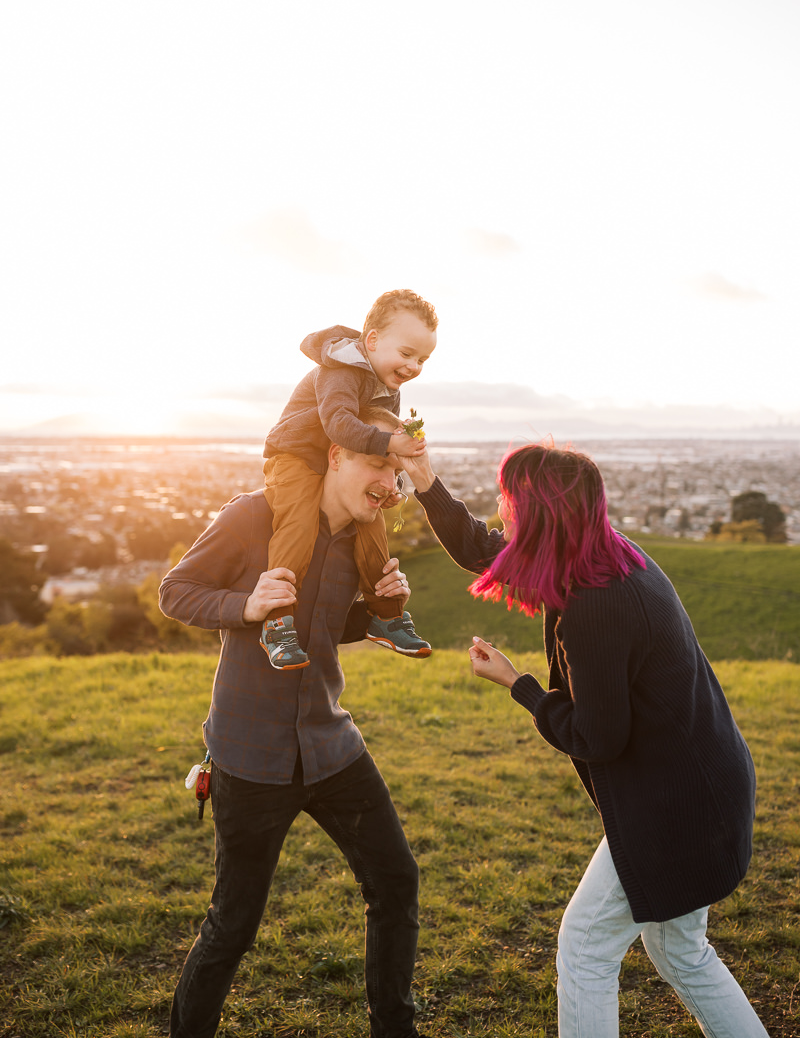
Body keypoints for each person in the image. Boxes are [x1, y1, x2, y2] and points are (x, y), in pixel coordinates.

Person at [399, 440, 769, 1038]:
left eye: (508, 499)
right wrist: (424, 478)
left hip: (676, 808)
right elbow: (481, 549)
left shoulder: (596, 603)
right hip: (706, 785)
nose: (501, 509)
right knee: (683, 953)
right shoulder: (602, 552)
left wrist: (519, 685)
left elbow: (598, 737)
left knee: (586, 946)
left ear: (536, 513)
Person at [160, 407, 425, 1038]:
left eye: (395, 470)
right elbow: (176, 590)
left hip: (333, 747)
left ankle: (395, 1029)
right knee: (234, 924)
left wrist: (384, 610)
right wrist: (246, 605)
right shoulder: (255, 515)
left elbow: (328, 628)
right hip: (250, 758)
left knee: (396, 883)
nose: (388, 482)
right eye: (375, 463)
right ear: (335, 455)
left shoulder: (365, 538)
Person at [260, 288, 438, 670]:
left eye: (423, 359)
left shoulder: (386, 387)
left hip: (339, 464)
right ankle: (277, 621)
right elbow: (339, 425)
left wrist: (392, 484)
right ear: (371, 341)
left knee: (370, 522)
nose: (413, 366)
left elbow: (379, 447)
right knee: (299, 522)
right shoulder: (340, 369)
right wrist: (393, 440)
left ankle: (386, 616)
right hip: (296, 456)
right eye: (407, 354)